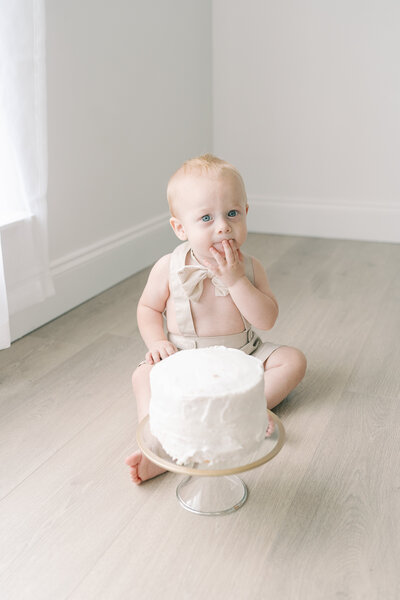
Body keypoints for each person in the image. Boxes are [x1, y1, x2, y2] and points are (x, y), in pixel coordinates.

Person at [126, 154, 306, 484]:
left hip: (244, 356)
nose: (223, 226)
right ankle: (159, 443)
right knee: (143, 376)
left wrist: (237, 280)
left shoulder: (251, 267)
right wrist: (158, 342)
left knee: (293, 361)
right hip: (183, 358)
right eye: (206, 217)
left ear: (246, 214)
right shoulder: (168, 267)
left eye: (232, 213)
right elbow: (148, 309)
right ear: (180, 228)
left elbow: (267, 320)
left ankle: (247, 412)